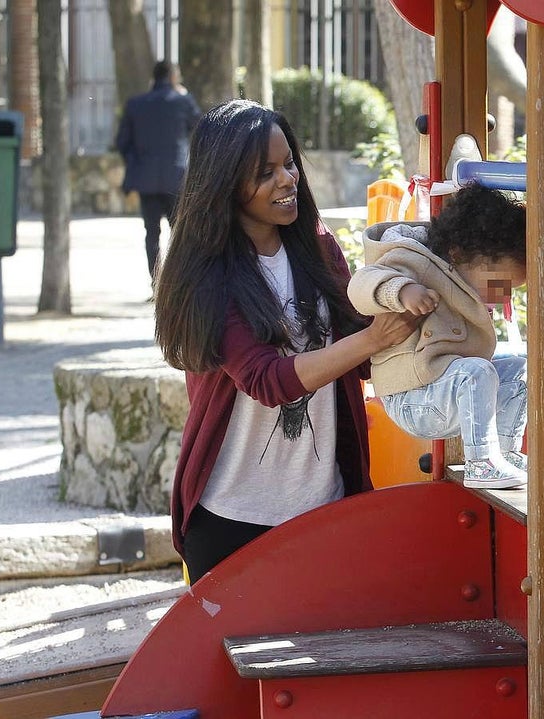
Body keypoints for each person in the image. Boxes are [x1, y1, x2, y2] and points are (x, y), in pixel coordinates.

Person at [154, 99, 421, 583]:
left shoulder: (317, 247)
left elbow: (359, 357)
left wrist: (407, 298)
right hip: (231, 520)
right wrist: (371, 340)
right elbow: (267, 380)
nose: (287, 179)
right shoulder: (209, 276)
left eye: (289, 163)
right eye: (265, 171)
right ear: (224, 183)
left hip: (326, 507)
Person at [347, 184, 529, 490]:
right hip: (411, 397)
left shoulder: (462, 277)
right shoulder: (412, 260)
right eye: (500, 283)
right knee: (477, 372)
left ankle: (504, 453)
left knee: (519, 369)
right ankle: (481, 462)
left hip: (442, 387)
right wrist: (402, 291)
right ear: (459, 255)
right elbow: (361, 285)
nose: (503, 296)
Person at [115, 60, 201, 283]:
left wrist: (137, 163)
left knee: (151, 233)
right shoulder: (182, 101)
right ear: (173, 76)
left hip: (147, 180)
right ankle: (179, 283)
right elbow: (199, 127)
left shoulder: (136, 104)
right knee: (179, 234)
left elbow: (122, 142)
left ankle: (156, 283)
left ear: (152, 78)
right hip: (176, 177)